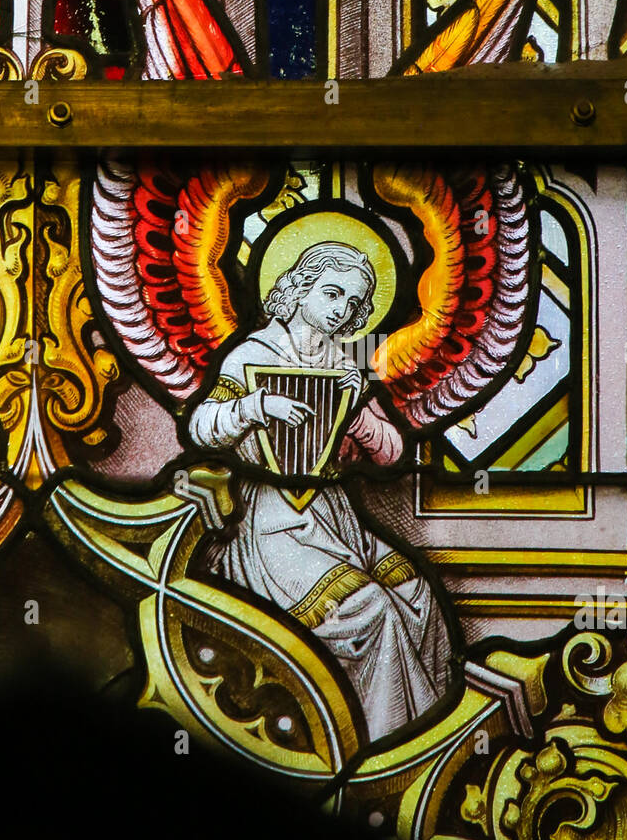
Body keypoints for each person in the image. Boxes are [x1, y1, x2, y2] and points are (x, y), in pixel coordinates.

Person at [188, 241, 451, 742]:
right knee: (371, 609)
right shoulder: (252, 354)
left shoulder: (344, 364)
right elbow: (201, 427)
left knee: (416, 594)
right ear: (300, 287)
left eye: (354, 304)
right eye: (332, 293)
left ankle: (424, 737)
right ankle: (377, 746)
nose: (341, 310)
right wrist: (254, 408)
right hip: (268, 521)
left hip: (334, 515)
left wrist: (358, 418)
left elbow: (393, 454)